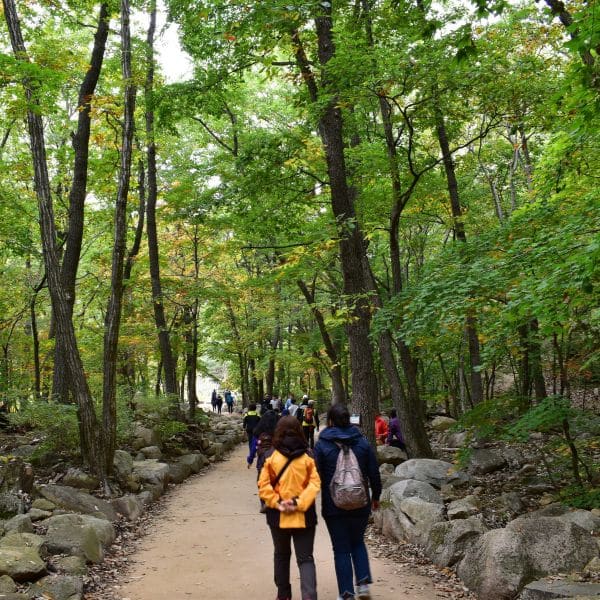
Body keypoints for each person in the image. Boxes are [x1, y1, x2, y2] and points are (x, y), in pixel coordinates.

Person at [314, 403, 382, 600]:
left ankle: (346, 593)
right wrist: (375, 497)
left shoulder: (322, 444)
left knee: (341, 549)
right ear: (349, 420)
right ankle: (362, 584)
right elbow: (374, 473)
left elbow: (315, 476)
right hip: (361, 502)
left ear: (331, 421)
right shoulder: (362, 443)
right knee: (358, 542)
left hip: (333, 505)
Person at [258, 416, 321, 600]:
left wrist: (277, 502)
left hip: (277, 515)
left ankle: (283, 594)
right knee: (305, 558)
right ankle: (309, 596)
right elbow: (315, 483)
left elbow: (263, 484)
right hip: (304, 515)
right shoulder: (308, 456)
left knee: (281, 555)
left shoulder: (269, 456)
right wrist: (298, 503)